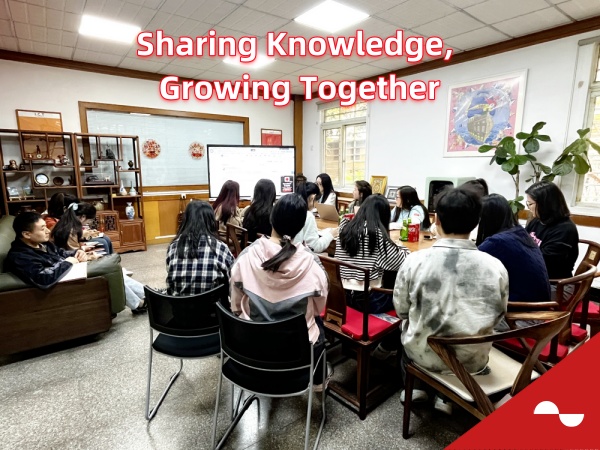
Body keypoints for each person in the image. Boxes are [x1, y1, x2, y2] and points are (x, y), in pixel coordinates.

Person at [394, 187, 508, 412]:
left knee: (407, 328)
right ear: (476, 223)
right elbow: (499, 314)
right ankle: (446, 398)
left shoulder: (414, 261)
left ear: (436, 220)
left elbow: (401, 310)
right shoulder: (495, 266)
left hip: (424, 353)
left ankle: (415, 387)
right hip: (472, 359)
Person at [230, 194, 329, 385]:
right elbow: (319, 307)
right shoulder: (312, 263)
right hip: (297, 352)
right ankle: (319, 381)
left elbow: (235, 303)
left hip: (252, 347)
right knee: (316, 322)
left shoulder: (247, 256)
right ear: (300, 227)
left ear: (272, 218)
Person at [5, 212, 147, 313]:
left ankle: (147, 296)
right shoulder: (20, 256)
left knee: (114, 270)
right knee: (108, 272)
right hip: (58, 286)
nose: (48, 231)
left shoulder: (42, 244)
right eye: (42, 229)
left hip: (66, 272)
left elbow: (61, 253)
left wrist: (77, 253)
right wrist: (69, 262)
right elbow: (43, 278)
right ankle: (140, 303)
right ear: (26, 234)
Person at [336, 194, 409, 313]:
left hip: (342, 296)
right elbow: (400, 261)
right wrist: (401, 248)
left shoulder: (344, 228)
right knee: (406, 297)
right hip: (369, 300)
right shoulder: (375, 234)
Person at [477, 194, 550, 303]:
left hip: (521, 308)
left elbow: (472, 262)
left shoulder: (497, 242)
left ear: (485, 218)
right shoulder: (519, 232)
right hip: (540, 304)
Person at [166, 201, 234, 296]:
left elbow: (170, 284)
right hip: (213, 304)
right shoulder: (221, 248)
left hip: (179, 304)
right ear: (211, 221)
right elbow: (233, 281)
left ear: (186, 220)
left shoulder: (173, 247)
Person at [525, 181, 579, 280]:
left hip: (554, 282)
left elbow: (546, 264)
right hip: (534, 274)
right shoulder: (537, 221)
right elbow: (521, 242)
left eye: (530, 204)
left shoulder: (565, 230)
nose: (528, 207)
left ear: (545, 204)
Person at [44, 192, 114, 255]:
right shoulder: (66, 227)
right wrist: (84, 248)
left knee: (105, 238)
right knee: (102, 242)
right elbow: (73, 251)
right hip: (68, 254)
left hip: (72, 248)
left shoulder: (68, 221)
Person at [294, 182, 338, 253]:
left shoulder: (289, 209)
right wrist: (331, 234)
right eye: (317, 200)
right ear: (312, 198)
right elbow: (315, 247)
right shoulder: (308, 216)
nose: (316, 204)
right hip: (301, 255)